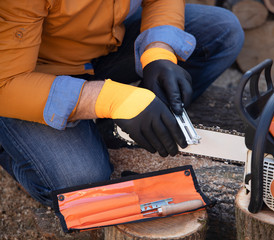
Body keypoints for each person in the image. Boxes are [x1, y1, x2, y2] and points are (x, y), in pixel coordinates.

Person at [0, 1, 244, 207]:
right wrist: (110, 99)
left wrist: (159, 52)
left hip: (103, 45)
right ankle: (10, 146)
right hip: (26, 77)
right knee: (81, 187)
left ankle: (113, 129)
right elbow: (6, 83)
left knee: (222, 31)